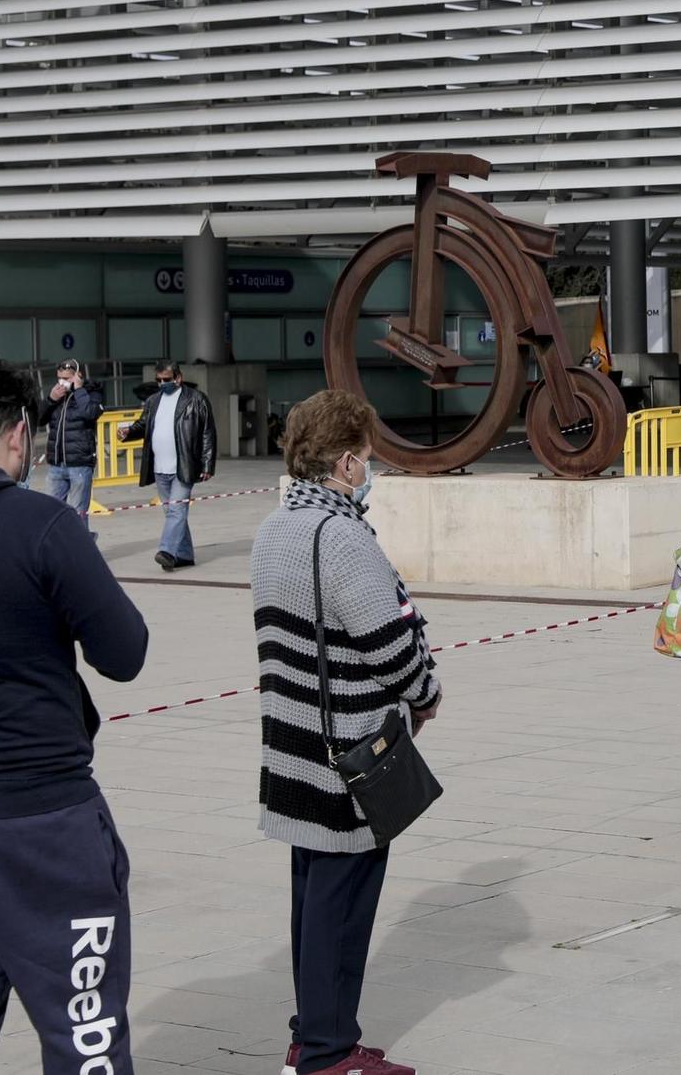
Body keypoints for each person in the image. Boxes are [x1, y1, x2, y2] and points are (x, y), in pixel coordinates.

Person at [0, 366, 149, 1075]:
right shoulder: (42, 524)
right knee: (85, 1033)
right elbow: (125, 652)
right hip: (40, 820)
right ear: (20, 436)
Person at [253, 390, 439, 1075]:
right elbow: (389, 642)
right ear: (342, 463)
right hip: (348, 753)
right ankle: (328, 1054)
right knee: (344, 902)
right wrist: (427, 690)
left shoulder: (276, 527)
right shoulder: (343, 537)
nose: (370, 467)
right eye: (364, 456)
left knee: (313, 900)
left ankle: (316, 1034)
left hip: (295, 742)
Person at [117, 360, 217, 571]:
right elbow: (144, 424)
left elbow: (208, 432)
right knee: (173, 512)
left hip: (184, 466)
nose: (162, 383)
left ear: (178, 378)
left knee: (176, 511)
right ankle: (185, 555)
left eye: (166, 380)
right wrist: (128, 432)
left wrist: (207, 464)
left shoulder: (196, 400)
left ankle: (167, 551)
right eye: (159, 380)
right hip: (160, 468)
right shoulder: (154, 401)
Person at [40, 357, 104, 521]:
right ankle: (57, 546)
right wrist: (50, 400)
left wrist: (79, 390)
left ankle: (80, 546)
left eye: (67, 379)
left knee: (78, 514)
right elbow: (39, 420)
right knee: (53, 514)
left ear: (78, 375)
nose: (62, 383)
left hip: (79, 464)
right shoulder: (57, 395)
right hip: (56, 464)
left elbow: (90, 413)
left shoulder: (91, 393)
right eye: (59, 379)